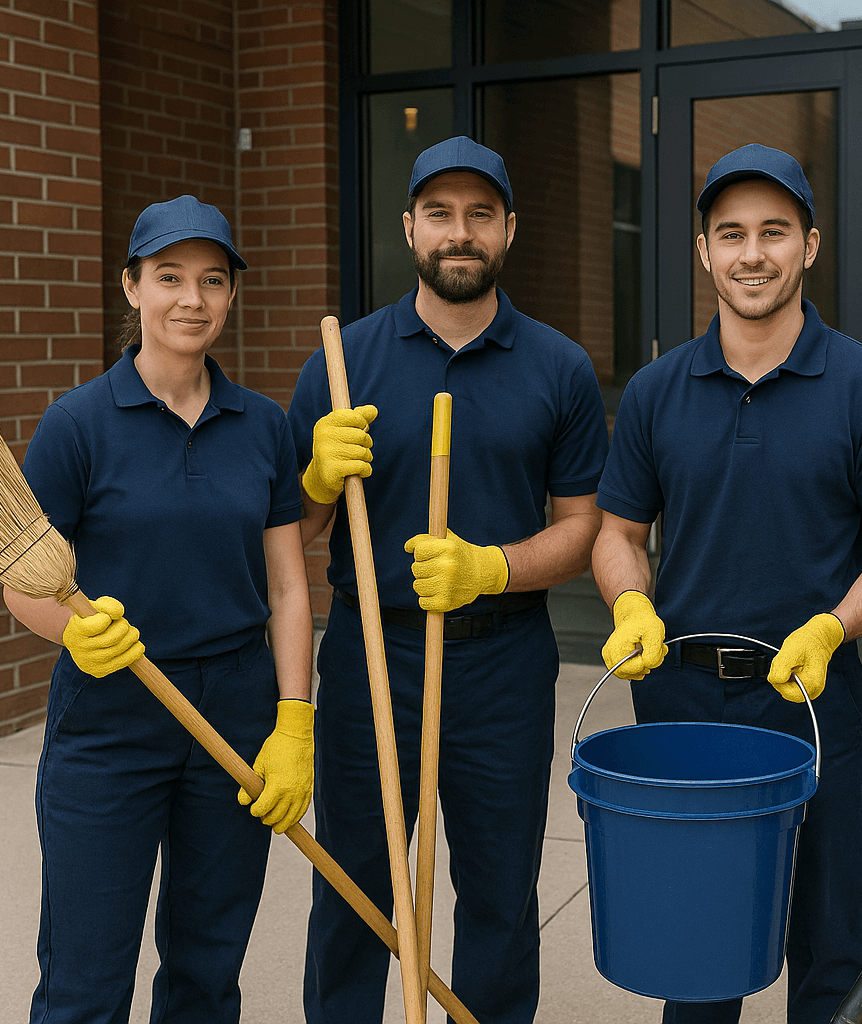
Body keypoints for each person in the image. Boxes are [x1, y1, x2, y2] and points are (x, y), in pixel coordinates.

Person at [593, 144, 862, 1023]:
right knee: (697, 956)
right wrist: (631, 599)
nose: (753, 253)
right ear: (704, 251)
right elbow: (616, 535)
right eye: (732, 234)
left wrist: (833, 627)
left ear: (810, 246)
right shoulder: (655, 391)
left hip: (810, 703)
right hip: (680, 709)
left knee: (828, 954)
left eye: (774, 232)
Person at [289, 136, 609, 1024]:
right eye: (440, 214)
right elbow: (294, 534)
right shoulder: (344, 361)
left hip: (502, 661)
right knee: (355, 884)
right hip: (368, 654)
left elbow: (583, 530)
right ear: (409, 228)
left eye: (479, 214)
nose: (459, 233)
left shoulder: (559, 367)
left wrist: (491, 568)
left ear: (509, 228)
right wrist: (314, 479)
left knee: (500, 893)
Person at [6, 195, 316, 1023]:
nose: (193, 299)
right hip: (112, 710)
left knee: (207, 969)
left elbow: (287, 587)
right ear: (131, 287)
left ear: (231, 295)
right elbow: (22, 584)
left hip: (237, 707)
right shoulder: (76, 426)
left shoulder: (264, 427)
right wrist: (77, 634)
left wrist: (294, 723)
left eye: (213, 280)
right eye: (170, 277)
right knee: (85, 977)